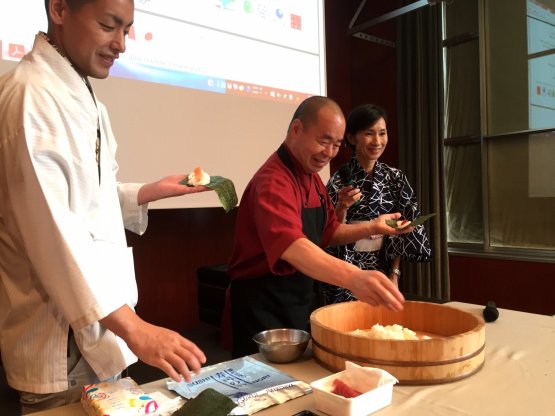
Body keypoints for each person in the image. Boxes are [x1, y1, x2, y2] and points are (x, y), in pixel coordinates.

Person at [0, 0, 208, 412]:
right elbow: (54, 235)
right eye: (109, 25)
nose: (121, 44)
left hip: (100, 327)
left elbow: (85, 199)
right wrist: (136, 329)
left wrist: (145, 192)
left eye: (127, 29)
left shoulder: (82, 95)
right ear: (60, 8)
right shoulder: (31, 97)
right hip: (60, 345)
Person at [227, 96, 413, 358]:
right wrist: (354, 276)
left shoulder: (312, 178)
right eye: (323, 141)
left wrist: (374, 226)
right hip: (262, 303)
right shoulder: (273, 182)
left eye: (336, 145)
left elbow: (329, 232)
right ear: (296, 130)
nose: (329, 152)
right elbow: (293, 247)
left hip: (298, 298)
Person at [325, 104, 431, 304]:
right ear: (351, 137)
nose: (377, 141)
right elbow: (330, 232)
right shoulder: (338, 180)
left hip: (382, 266)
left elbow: (406, 227)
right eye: (369, 133)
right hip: (347, 270)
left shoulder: (396, 178)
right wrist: (342, 207)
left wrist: (394, 274)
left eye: (382, 133)